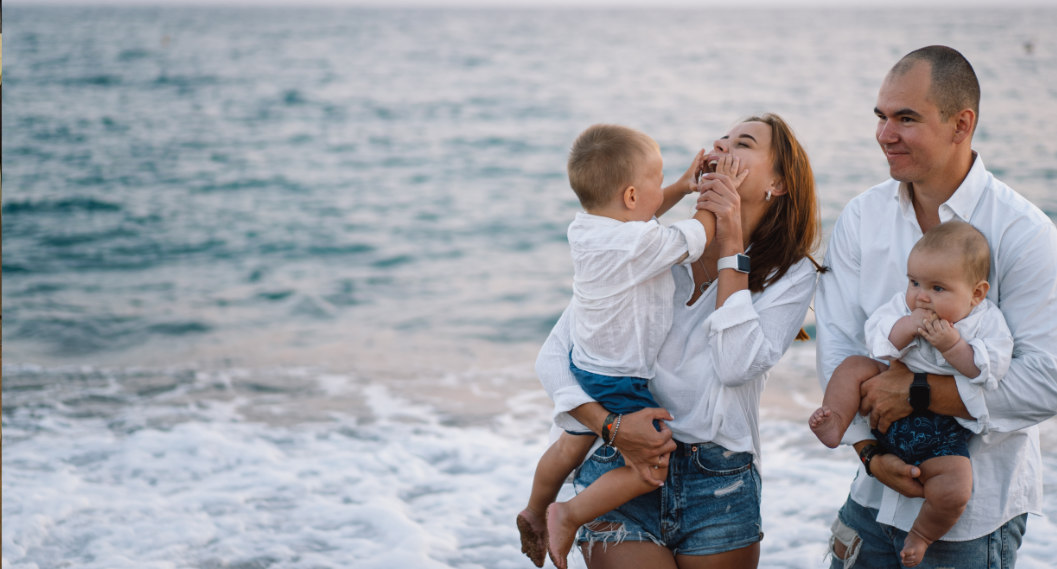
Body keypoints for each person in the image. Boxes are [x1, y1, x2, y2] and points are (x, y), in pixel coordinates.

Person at [534, 113, 824, 569]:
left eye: (743, 143)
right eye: (722, 139)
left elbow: (733, 364)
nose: (722, 146)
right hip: (618, 462)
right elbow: (554, 358)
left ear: (779, 183)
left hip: (720, 483)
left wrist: (730, 240)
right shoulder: (649, 247)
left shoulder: (792, 275)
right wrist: (609, 426)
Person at [815, 45, 1057, 569]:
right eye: (881, 116)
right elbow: (838, 344)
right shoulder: (861, 217)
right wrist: (868, 452)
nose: (885, 133)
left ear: (961, 124)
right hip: (870, 495)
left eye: (906, 118)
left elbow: (1049, 380)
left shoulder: (1026, 233)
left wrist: (921, 391)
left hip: (971, 517)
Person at [516, 123, 747, 568]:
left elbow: (643, 219)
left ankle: (533, 506)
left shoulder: (591, 230)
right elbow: (691, 237)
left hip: (587, 365)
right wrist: (721, 200)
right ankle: (569, 512)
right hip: (620, 378)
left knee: (570, 443)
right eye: (657, 182)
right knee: (653, 461)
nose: (663, 189)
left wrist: (680, 184)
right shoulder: (638, 245)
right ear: (630, 197)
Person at [810, 220, 1013, 567]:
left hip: (942, 431)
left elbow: (988, 371)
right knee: (854, 367)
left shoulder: (985, 322)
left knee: (955, 488)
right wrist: (906, 327)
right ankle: (836, 421)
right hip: (883, 408)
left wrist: (954, 346)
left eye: (937, 288)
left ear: (976, 294)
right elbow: (877, 341)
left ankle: (921, 535)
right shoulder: (903, 310)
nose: (921, 295)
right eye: (914, 282)